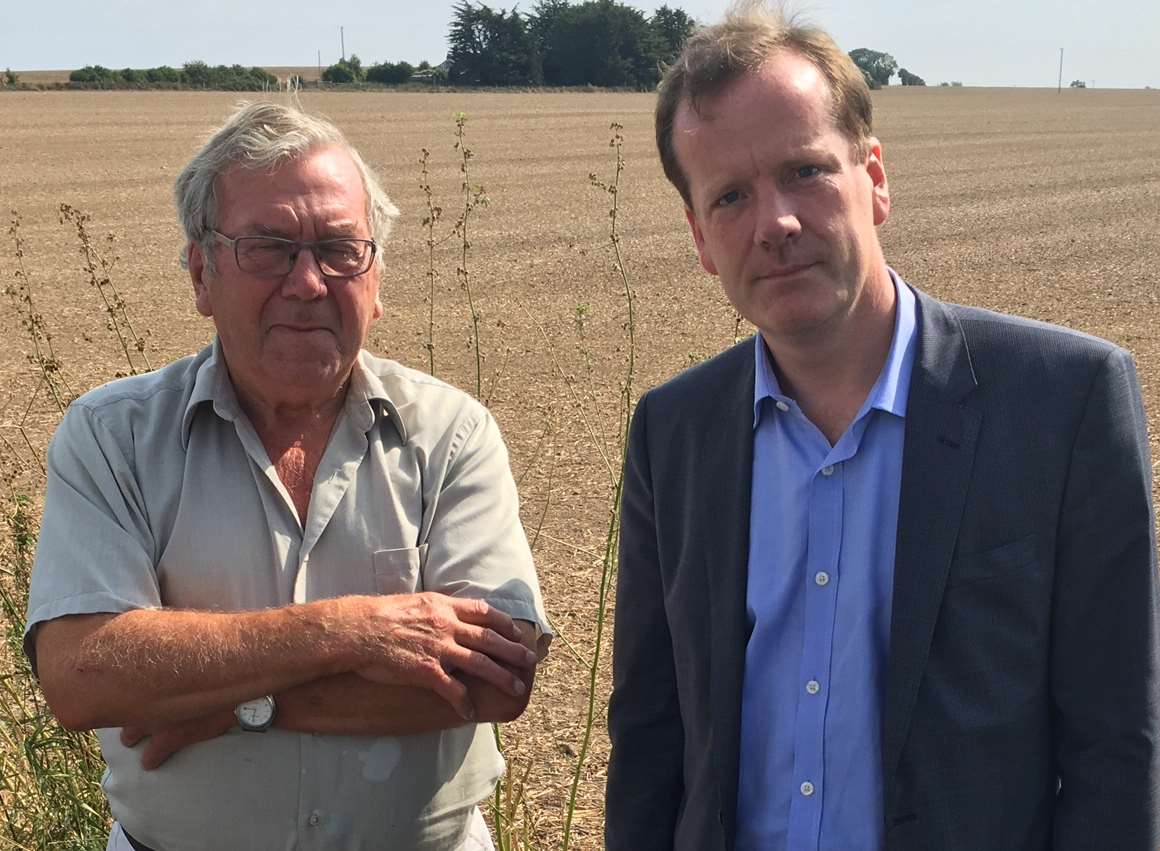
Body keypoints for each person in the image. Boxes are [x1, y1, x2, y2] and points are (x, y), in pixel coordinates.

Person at [605, 5, 1158, 850]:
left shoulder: (1063, 403)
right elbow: (650, 739)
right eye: (731, 196)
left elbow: (1118, 747)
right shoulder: (672, 433)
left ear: (876, 177)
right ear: (700, 237)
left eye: (805, 171)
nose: (776, 223)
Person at [24, 102, 551, 851]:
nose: (308, 282)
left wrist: (234, 703)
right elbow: (84, 671)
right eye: (268, 248)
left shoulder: (452, 434)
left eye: (340, 249)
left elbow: (495, 678)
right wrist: (353, 629)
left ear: (377, 280)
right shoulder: (114, 436)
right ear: (202, 273)